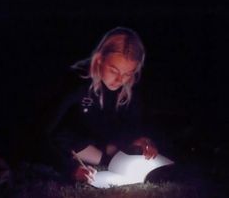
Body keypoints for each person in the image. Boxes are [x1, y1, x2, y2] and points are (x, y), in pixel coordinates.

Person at [39, 27, 158, 184]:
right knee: (99, 155)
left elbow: (133, 123)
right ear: (99, 59)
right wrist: (70, 168)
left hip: (101, 139)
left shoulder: (128, 85)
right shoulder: (76, 81)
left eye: (128, 73)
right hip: (70, 140)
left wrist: (141, 139)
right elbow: (42, 132)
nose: (120, 79)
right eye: (114, 70)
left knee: (121, 153)